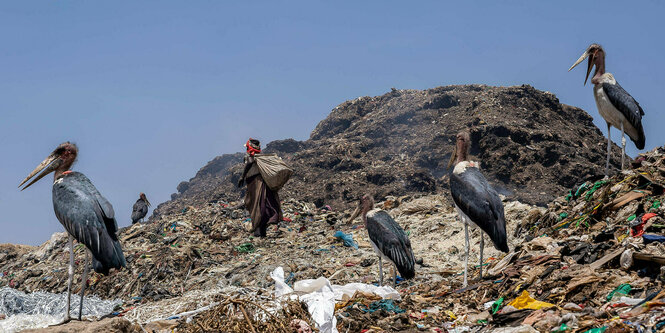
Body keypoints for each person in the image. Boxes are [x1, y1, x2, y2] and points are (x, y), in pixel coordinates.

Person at [237, 138, 283, 237]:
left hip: (256, 183)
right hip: (260, 182)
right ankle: (262, 233)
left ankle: (258, 231)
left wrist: (242, 176)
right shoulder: (259, 157)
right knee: (262, 204)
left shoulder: (250, 156)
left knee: (256, 206)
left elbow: (249, 162)